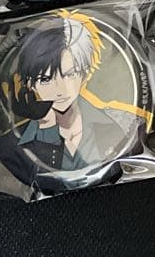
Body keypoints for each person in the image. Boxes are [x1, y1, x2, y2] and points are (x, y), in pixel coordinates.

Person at [14, 11, 132, 171]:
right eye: (45, 79)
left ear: (84, 73)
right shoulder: (17, 138)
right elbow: (44, 175)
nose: (60, 90)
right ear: (30, 84)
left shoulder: (123, 122)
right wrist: (47, 130)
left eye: (69, 74)